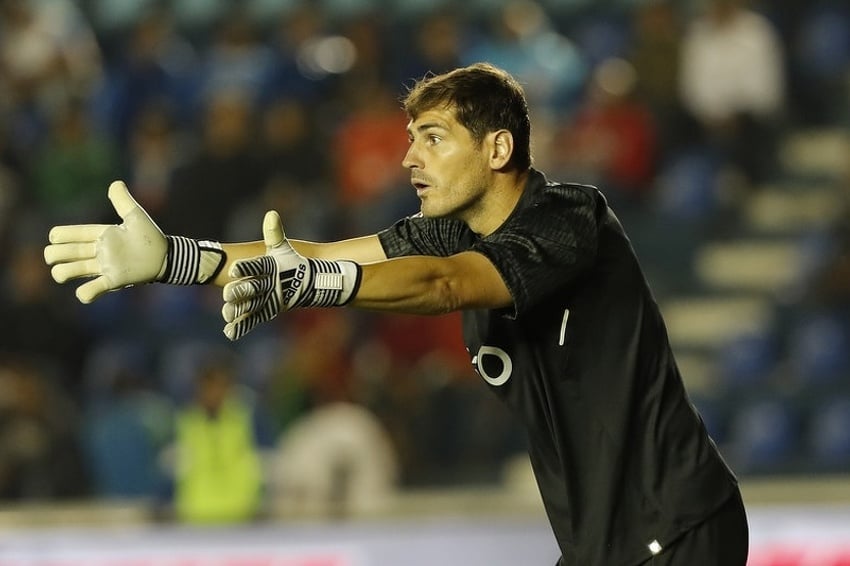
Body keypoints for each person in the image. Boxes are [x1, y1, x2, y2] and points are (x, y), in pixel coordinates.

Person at [43, 63, 748, 565]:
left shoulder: (570, 218)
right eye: (411, 137)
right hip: (602, 543)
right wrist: (180, 260)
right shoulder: (447, 228)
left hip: (678, 527)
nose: (409, 157)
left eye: (433, 137)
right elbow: (312, 250)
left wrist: (312, 283)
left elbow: (445, 286)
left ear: (498, 148)